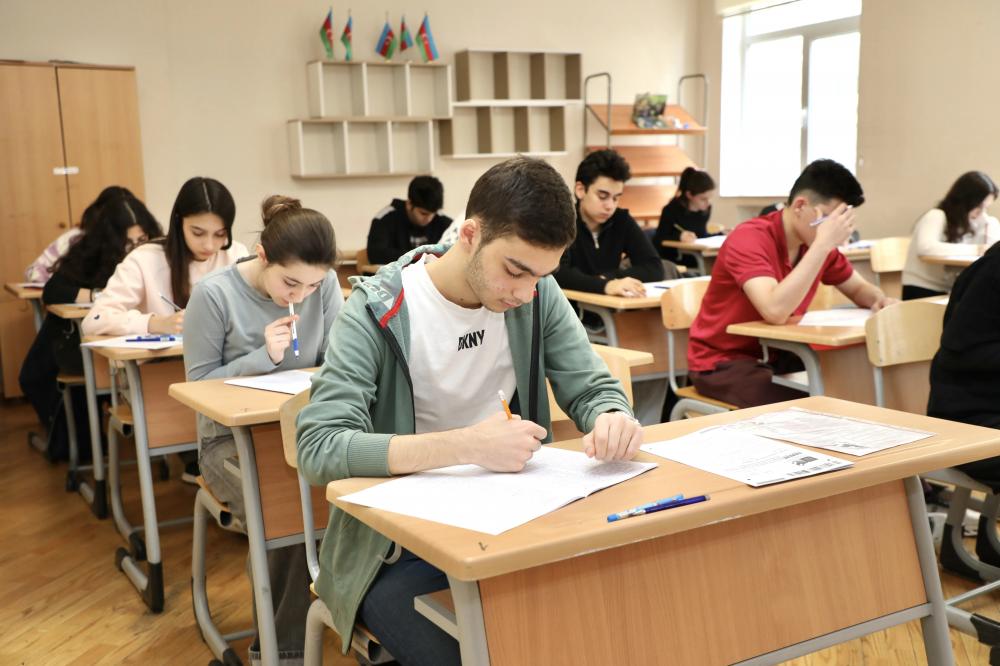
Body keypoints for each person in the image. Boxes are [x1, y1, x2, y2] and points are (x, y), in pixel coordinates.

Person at [296, 157, 643, 666]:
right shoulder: (375, 307)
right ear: (470, 235)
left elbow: (591, 387)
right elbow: (319, 447)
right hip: (395, 550)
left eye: (541, 275)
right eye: (515, 271)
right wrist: (465, 446)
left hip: (515, 524)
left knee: (609, 620)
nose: (525, 292)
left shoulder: (537, 293)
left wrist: (611, 415)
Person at [184, 195, 343, 665]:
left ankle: (353, 627)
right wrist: (263, 358)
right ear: (262, 256)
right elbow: (197, 386)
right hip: (228, 443)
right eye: (290, 282)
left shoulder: (323, 286)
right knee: (289, 513)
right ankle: (281, 654)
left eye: (313, 285)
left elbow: (337, 363)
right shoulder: (213, 295)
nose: (301, 295)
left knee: (358, 498)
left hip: (303, 431)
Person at [687, 159, 896, 408]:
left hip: (781, 352)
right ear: (800, 206)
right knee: (807, 406)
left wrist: (879, 300)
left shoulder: (815, 244)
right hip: (724, 361)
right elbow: (774, 311)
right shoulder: (750, 238)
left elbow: (859, 288)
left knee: (850, 383)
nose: (833, 230)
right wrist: (822, 245)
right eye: (829, 220)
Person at [82, 176, 249, 481]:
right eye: (197, 232)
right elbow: (95, 319)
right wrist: (154, 323)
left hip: (224, 373)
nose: (209, 245)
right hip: (161, 376)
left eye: (219, 234)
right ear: (177, 221)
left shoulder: (235, 254)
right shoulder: (146, 259)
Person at [19, 186, 161, 461]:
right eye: (128, 243)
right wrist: (101, 295)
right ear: (110, 241)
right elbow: (53, 291)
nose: (135, 249)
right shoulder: (89, 252)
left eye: (142, 240)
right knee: (52, 380)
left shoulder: (156, 255)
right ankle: (75, 446)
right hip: (88, 344)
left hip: (136, 345)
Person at [554, 149, 668, 298]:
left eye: (616, 198)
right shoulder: (562, 221)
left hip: (612, 307)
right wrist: (605, 285)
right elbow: (558, 273)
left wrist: (611, 278)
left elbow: (654, 267)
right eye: (603, 196)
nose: (610, 206)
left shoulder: (621, 220)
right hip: (574, 308)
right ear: (580, 190)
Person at [901, 170, 1000, 300]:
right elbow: (926, 248)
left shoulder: (970, 223)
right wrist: (976, 249)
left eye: (985, 208)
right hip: (921, 289)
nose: (981, 213)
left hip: (945, 290)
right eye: (979, 207)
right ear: (966, 201)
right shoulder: (936, 215)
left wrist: (991, 223)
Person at [366, 175, 453, 264]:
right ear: (409, 204)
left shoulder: (443, 222)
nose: (429, 218)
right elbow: (375, 254)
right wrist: (419, 256)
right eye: (423, 213)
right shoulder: (385, 219)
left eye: (433, 213)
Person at [653, 167, 718, 268]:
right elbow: (659, 238)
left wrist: (721, 234)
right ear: (689, 195)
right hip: (675, 259)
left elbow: (701, 235)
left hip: (696, 256)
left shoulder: (705, 210)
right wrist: (679, 237)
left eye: (709, 198)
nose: (708, 203)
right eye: (703, 199)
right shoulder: (671, 210)